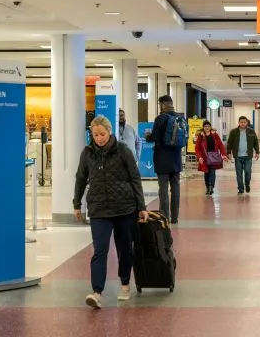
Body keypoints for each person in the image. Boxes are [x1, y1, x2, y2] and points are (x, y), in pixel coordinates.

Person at [73, 115, 147, 309]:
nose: (99, 138)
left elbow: (135, 178)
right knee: (100, 250)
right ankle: (97, 292)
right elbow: (80, 178)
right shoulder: (87, 153)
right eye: (95, 134)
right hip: (99, 209)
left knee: (124, 249)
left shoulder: (123, 151)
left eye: (102, 134)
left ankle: (124, 284)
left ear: (110, 131)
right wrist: (76, 203)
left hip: (125, 207)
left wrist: (142, 207)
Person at [146, 95, 183, 224]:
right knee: (176, 188)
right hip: (176, 158)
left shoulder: (160, 118)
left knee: (163, 189)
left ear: (162, 104)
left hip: (162, 158)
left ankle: (165, 217)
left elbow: (154, 137)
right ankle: (175, 217)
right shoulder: (180, 117)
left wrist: (148, 136)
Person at [227, 116, 260, 194]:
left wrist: (257, 152)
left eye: (244, 122)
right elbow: (229, 143)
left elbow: (255, 142)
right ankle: (240, 188)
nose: (243, 123)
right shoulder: (233, 132)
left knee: (248, 172)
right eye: (241, 122)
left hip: (248, 156)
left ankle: (247, 184)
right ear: (238, 122)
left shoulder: (251, 131)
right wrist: (228, 152)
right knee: (239, 173)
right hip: (237, 156)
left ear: (247, 123)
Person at [195, 120, 226, 195]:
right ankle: (207, 187)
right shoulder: (201, 136)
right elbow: (197, 148)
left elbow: (220, 145)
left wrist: (223, 154)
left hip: (213, 156)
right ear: (203, 127)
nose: (207, 127)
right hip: (204, 157)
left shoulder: (215, 135)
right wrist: (199, 157)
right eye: (205, 126)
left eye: (208, 126)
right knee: (206, 173)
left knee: (212, 172)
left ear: (210, 127)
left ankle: (211, 187)